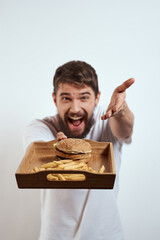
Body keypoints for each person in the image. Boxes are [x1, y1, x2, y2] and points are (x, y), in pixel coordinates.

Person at [23, 60, 135, 240]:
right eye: (66, 98)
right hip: (56, 235)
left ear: (97, 98)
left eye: (84, 97)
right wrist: (60, 148)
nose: (75, 109)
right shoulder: (41, 127)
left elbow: (125, 129)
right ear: (55, 99)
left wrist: (121, 111)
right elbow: (35, 150)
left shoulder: (107, 121)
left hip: (106, 234)